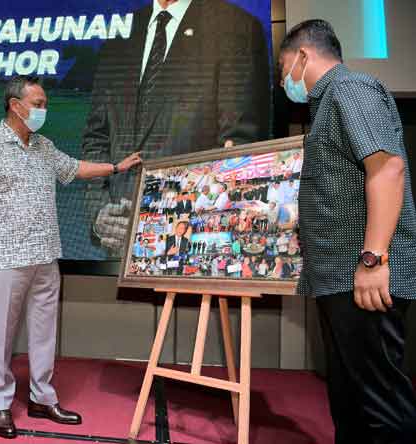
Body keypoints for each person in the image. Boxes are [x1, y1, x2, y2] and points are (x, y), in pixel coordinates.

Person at [0, 75, 141, 439]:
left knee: (44, 332)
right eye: (39, 103)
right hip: (7, 257)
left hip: (46, 253)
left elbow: (74, 168)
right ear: (16, 105)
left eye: (45, 104)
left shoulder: (44, 146)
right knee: (1, 334)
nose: (44, 110)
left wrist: (116, 167)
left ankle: (42, 398)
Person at [279, 19, 416, 443]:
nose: (285, 80)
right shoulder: (326, 103)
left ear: (303, 56)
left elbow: (387, 167)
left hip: (363, 276)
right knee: (350, 398)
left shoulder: (349, 88)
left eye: (284, 67)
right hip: (339, 277)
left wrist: (373, 259)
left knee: (379, 404)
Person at [82, 0, 270, 256]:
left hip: (189, 248)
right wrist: (99, 214)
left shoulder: (236, 28)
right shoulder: (119, 34)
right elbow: (96, 138)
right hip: (118, 249)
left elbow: (239, 147)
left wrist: (177, 223)